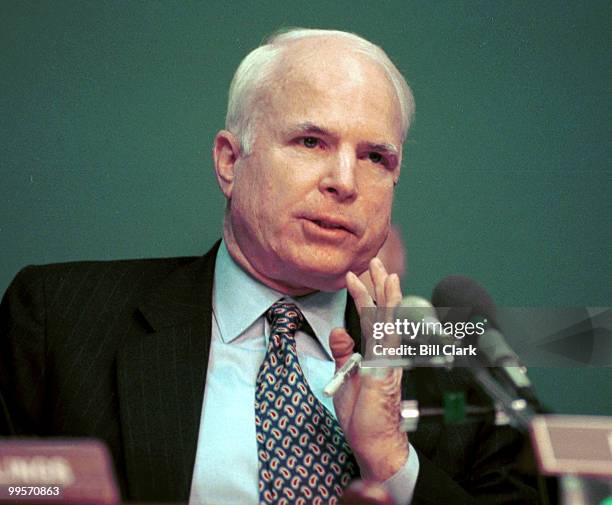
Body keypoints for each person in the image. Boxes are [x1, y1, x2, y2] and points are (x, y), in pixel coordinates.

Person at [0, 29, 540, 504]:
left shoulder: (458, 368)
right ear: (230, 162)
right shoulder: (60, 321)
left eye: (376, 157)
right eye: (310, 142)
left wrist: (394, 463)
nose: (345, 182)